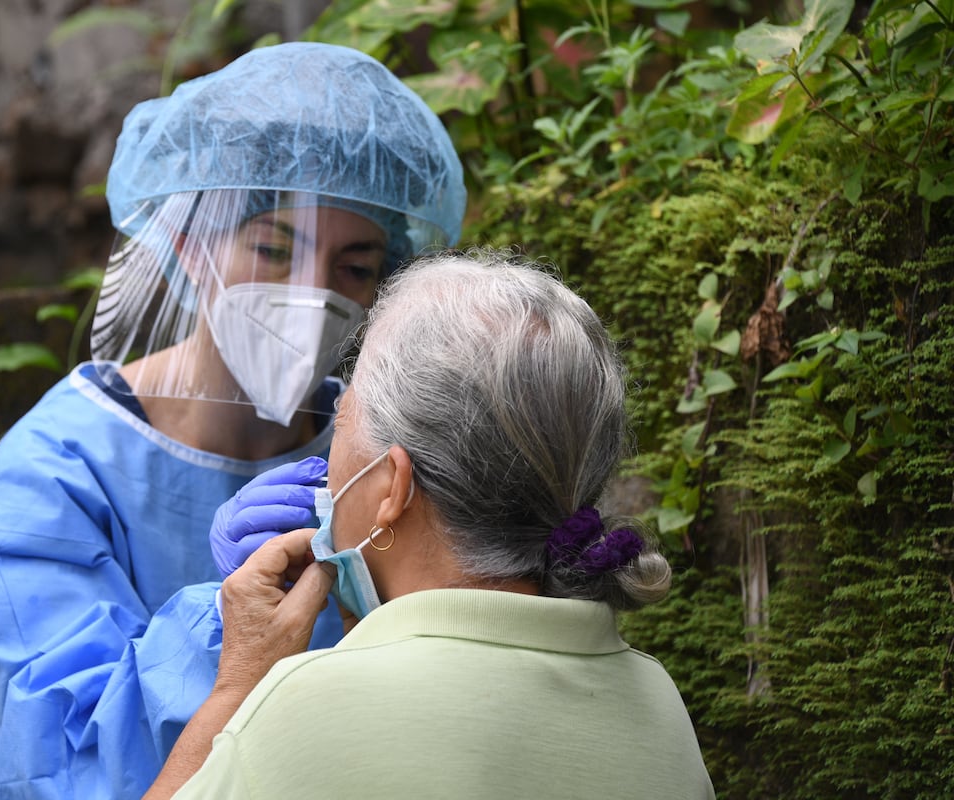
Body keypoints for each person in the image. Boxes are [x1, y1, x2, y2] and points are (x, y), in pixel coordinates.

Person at [0, 42, 466, 800]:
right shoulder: (59, 467)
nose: (312, 293)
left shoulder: (385, 456)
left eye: (354, 267)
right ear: (189, 246)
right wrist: (223, 623)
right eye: (273, 248)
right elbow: (61, 762)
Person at [143, 249, 717, 799]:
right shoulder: (658, 700)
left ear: (392, 489)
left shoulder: (300, 706)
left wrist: (237, 687)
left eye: (343, 416)